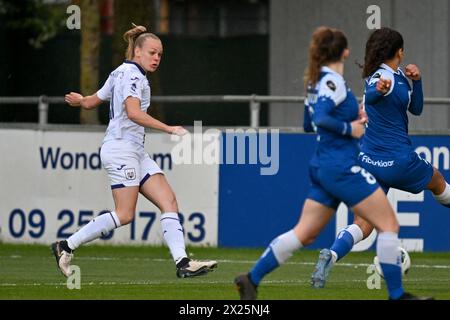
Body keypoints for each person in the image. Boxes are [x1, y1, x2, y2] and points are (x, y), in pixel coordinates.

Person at [234, 26, 431, 300]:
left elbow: (307, 125)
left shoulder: (314, 83)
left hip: (322, 165)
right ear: (345, 52)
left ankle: (251, 279)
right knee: (388, 224)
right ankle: (397, 295)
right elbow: (321, 120)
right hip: (341, 166)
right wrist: (350, 128)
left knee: (304, 234)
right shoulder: (333, 83)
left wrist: (348, 119)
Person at [51, 24, 217, 279]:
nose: (156, 58)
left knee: (169, 201)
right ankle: (66, 245)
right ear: (137, 51)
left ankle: (183, 263)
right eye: (152, 52)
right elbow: (133, 113)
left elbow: (93, 101)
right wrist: (169, 129)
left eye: (160, 54)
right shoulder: (132, 76)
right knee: (125, 214)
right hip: (120, 150)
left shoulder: (120, 72)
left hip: (135, 151)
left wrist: (80, 100)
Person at [311, 27, 450, 289]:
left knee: (363, 223)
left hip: (370, 162)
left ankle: (331, 254)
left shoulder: (395, 77)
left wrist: (417, 81)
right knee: (438, 180)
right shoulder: (382, 78)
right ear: (400, 51)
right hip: (399, 162)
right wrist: (379, 89)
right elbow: (373, 96)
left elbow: (416, 109)